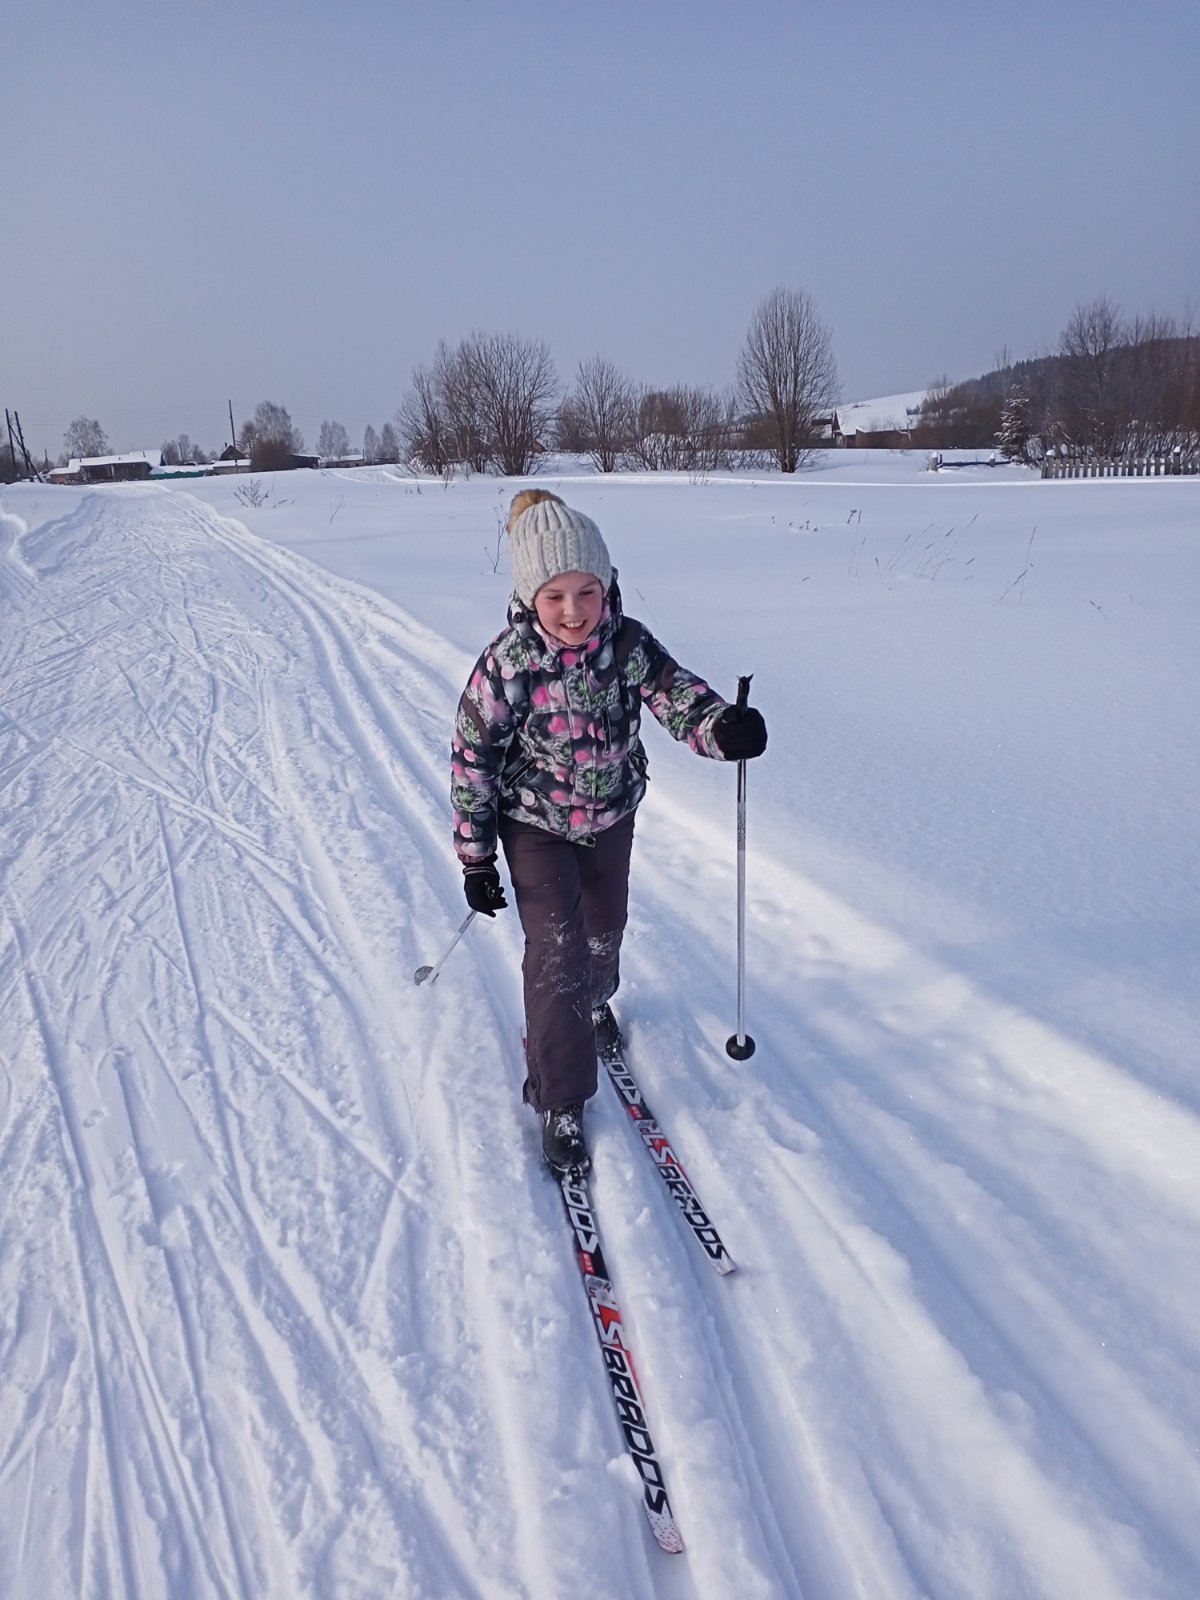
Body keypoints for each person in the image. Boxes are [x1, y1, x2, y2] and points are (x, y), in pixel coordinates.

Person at [451, 490, 767, 1175]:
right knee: (557, 949)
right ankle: (560, 1093)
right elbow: (473, 759)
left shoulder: (628, 645)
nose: (573, 611)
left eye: (587, 591)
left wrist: (723, 729)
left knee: (603, 928)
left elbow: (679, 698)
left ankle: (594, 1005)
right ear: (529, 597)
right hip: (534, 824)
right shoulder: (507, 665)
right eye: (555, 596)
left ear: (608, 585)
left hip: (613, 812)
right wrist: (476, 858)